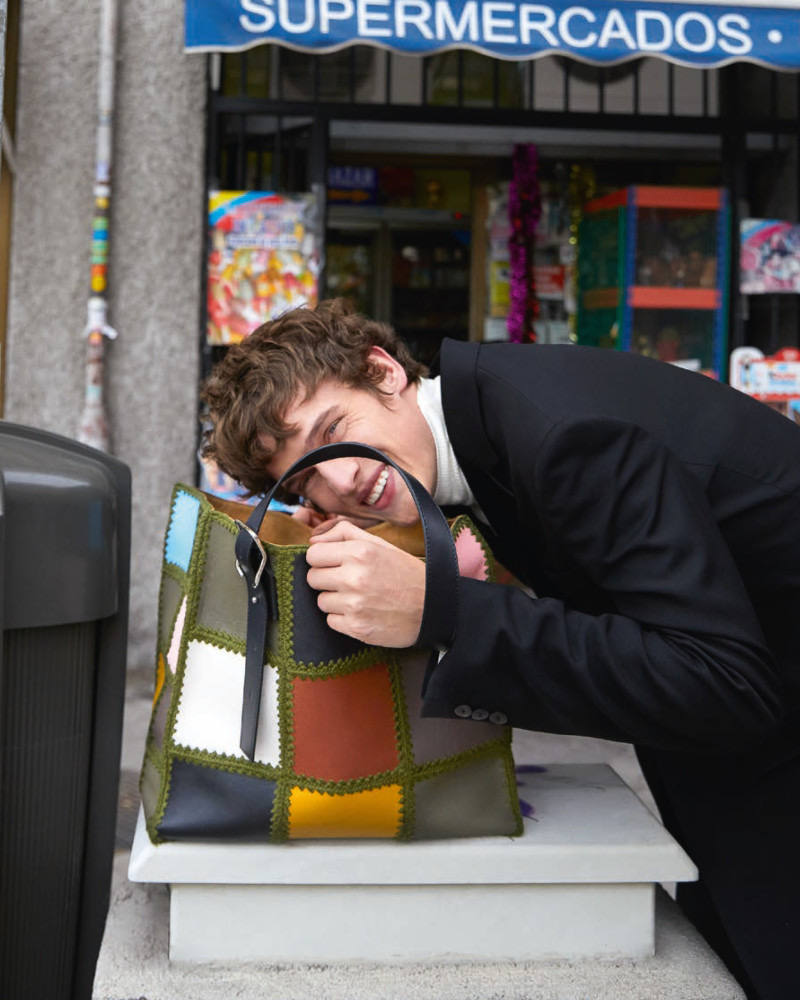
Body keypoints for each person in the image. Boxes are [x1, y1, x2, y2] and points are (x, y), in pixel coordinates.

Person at [202, 298, 800, 1000]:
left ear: (384, 371)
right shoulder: (481, 424)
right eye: (308, 480)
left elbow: (725, 685)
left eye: (333, 435)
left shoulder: (563, 436)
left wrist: (445, 610)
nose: (342, 480)